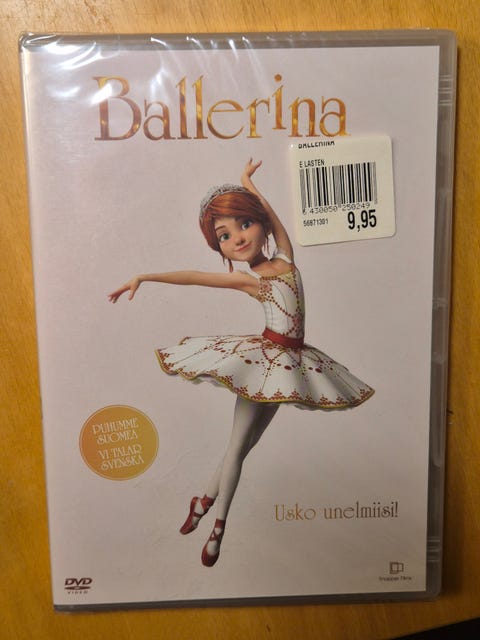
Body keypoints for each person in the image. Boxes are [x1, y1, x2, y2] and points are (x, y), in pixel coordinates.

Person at [108, 159, 374, 567]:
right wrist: (145, 276)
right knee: (237, 447)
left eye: (244, 224)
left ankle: (202, 501)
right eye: (225, 235)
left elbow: (271, 214)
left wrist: (248, 182)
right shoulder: (251, 281)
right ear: (219, 247)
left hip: (291, 364)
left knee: (246, 445)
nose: (238, 238)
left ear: (259, 223)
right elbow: (196, 276)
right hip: (264, 364)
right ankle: (218, 528)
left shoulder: (286, 259)